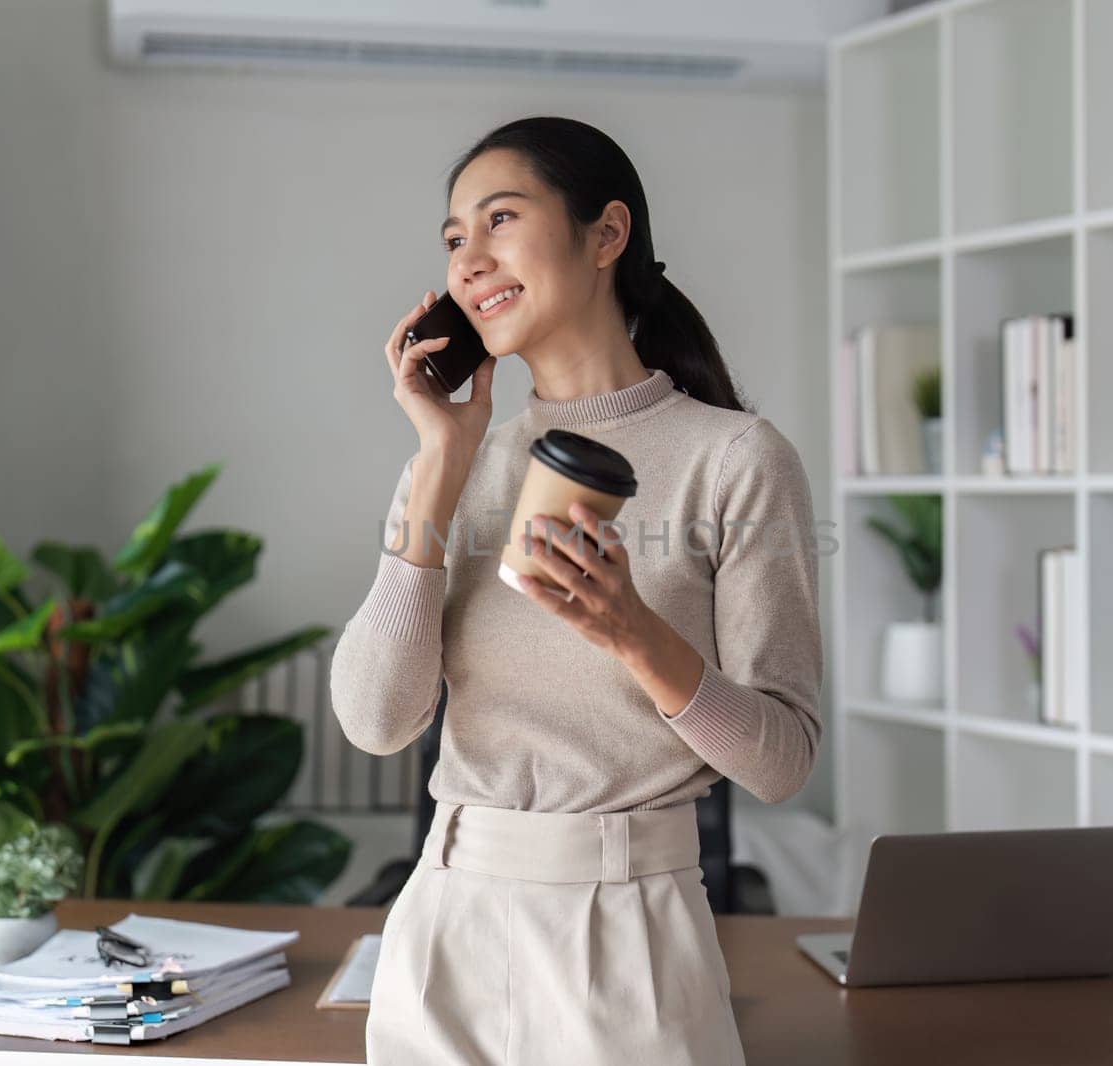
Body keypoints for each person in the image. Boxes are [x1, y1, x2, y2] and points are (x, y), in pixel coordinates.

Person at [330, 115, 823, 1065]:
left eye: (500, 219)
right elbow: (375, 721)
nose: (468, 259)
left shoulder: (734, 460)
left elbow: (783, 759)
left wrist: (635, 633)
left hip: (632, 931)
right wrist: (440, 458)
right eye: (452, 238)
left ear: (606, 235)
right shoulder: (452, 464)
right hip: (446, 922)